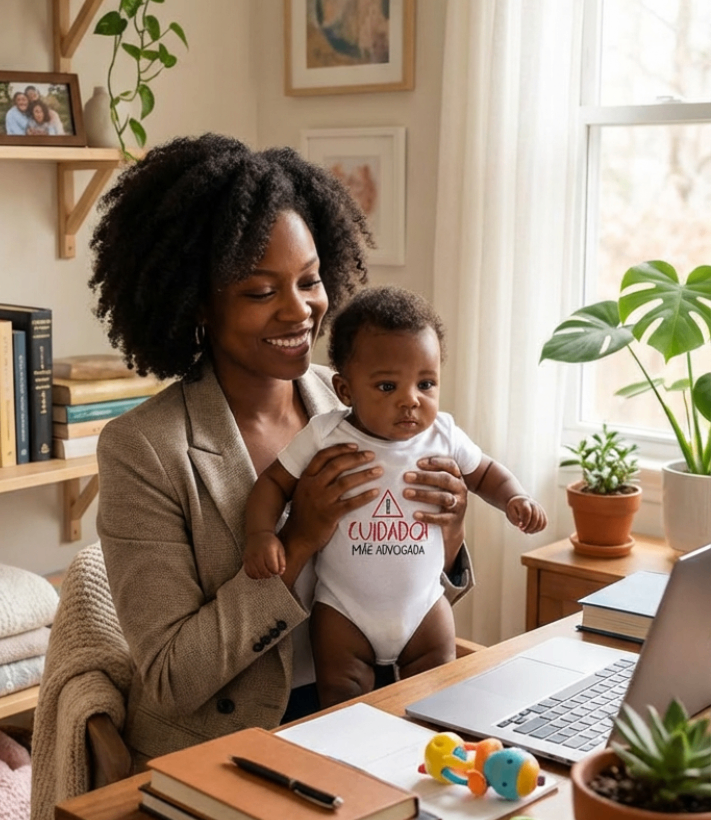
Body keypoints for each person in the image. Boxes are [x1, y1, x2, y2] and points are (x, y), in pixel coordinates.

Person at [87, 133, 474, 769]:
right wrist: (298, 542)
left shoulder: (355, 400)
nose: (300, 311)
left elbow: (401, 597)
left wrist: (450, 540)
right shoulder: (146, 451)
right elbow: (169, 680)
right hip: (235, 747)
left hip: (369, 707)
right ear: (199, 304)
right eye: (261, 291)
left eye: (310, 281)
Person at [244, 285, 548, 707]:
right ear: (345, 391)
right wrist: (261, 534)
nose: (411, 401)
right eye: (387, 387)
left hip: (424, 604)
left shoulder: (443, 434)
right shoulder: (326, 434)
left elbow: (486, 473)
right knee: (341, 700)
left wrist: (515, 497)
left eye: (426, 383)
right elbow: (273, 483)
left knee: (437, 693)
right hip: (343, 609)